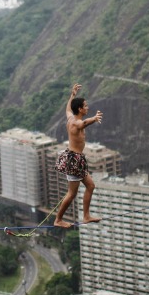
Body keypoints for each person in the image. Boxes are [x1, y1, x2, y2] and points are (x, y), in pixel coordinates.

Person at [54, 83, 103, 228]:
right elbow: (84, 124)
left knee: (90, 185)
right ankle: (58, 220)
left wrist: (72, 95)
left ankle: (86, 216)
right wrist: (94, 119)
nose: (87, 107)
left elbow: (68, 109)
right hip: (74, 161)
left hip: (77, 159)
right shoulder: (76, 123)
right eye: (85, 106)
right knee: (71, 193)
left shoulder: (71, 117)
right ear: (80, 109)